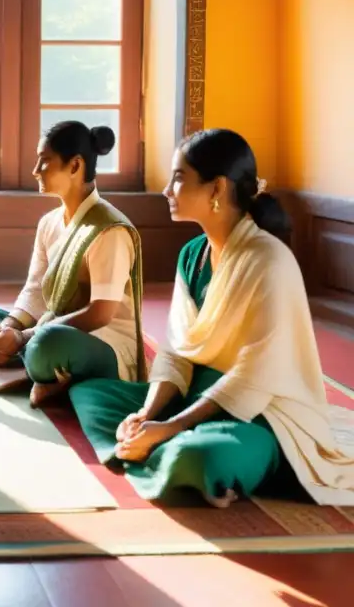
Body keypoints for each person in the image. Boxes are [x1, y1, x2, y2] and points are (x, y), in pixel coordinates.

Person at [69, 129, 354, 507]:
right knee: (89, 393)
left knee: (200, 457)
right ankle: (163, 445)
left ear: (216, 189)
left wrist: (171, 426)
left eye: (178, 178)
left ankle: (188, 452)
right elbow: (175, 352)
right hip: (196, 393)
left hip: (260, 412)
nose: (167, 190)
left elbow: (255, 376)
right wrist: (146, 413)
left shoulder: (269, 260)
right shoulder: (192, 255)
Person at [0, 121, 145, 407]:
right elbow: (34, 291)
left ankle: (39, 363)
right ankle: (41, 368)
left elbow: (101, 314)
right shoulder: (49, 223)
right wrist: (8, 327)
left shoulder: (109, 229)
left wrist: (24, 336)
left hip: (103, 341)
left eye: (44, 161)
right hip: (50, 328)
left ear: (74, 166)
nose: (35, 170)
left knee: (45, 346)